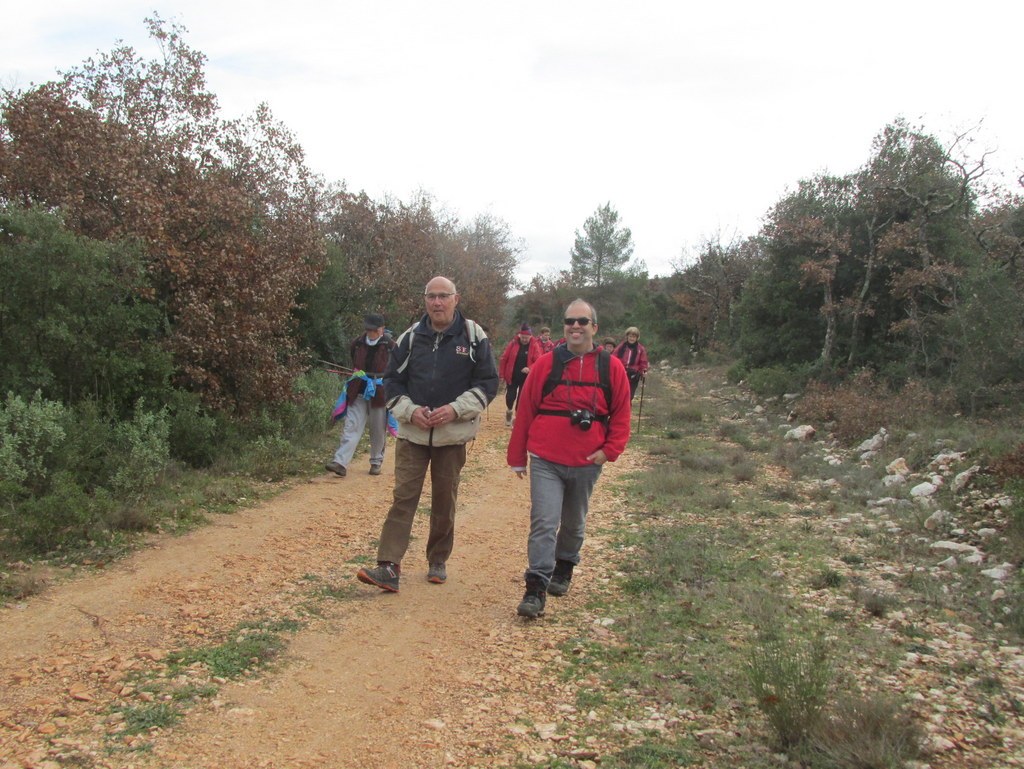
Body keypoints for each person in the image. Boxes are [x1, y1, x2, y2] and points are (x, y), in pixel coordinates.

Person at [356, 277, 498, 592]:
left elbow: (488, 383)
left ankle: (437, 560)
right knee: (403, 498)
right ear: (425, 301)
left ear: (455, 299)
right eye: (431, 297)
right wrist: (410, 411)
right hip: (412, 434)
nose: (437, 303)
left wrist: (455, 409)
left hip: (452, 436)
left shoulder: (473, 336)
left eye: (443, 296)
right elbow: (391, 381)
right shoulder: (409, 337)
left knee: (444, 500)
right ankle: (388, 566)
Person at [508, 299, 632, 618]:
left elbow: (621, 415)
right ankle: (535, 587)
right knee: (544, 522)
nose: (575, 326)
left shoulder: (611, 367)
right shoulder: (547, 364)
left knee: (574, 523)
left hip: (587, 461)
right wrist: (517, 455)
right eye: (569, 321)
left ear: (594, 327)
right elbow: (526, 411)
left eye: (582, 321)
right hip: (547, 458)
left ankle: (564, 565)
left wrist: (609, 451)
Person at [325, 314, 395, 478]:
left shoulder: (391, 346)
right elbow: (354, 361)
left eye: (374, 330)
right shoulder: (357, 343)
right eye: (368, 329)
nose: (370, 333)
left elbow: (396, 367)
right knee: (352, 425)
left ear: (381, 329)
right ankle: (340, 462)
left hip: (380, 391)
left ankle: (376, 462)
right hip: (358, 388)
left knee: (378, 428)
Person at [499, 323, 542, 426]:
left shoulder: (534, 345)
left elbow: (539, 361)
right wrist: (501, 375)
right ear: (519, 336)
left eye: (526, 338)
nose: (524, 340)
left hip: (526, 377)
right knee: (510, 397)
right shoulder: (513, 343)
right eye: (523, 337)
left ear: (530, 337)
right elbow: (504, 359)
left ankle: (518, 418)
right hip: (512, 375)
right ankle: (509, 411)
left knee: (522, 398)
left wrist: (529, 368)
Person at [613, 326, 649, 401]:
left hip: (633, 375)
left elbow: (643, 362)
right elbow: (614, 358)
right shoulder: (621, 346)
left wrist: (643, 371)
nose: (632, 338)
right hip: (621, 373)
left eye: (634, 337)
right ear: (627, 336)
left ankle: (627, 411)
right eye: (630, 336)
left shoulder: (640, 349)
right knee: (618, 394)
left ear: (637, 338)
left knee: (629, 396)